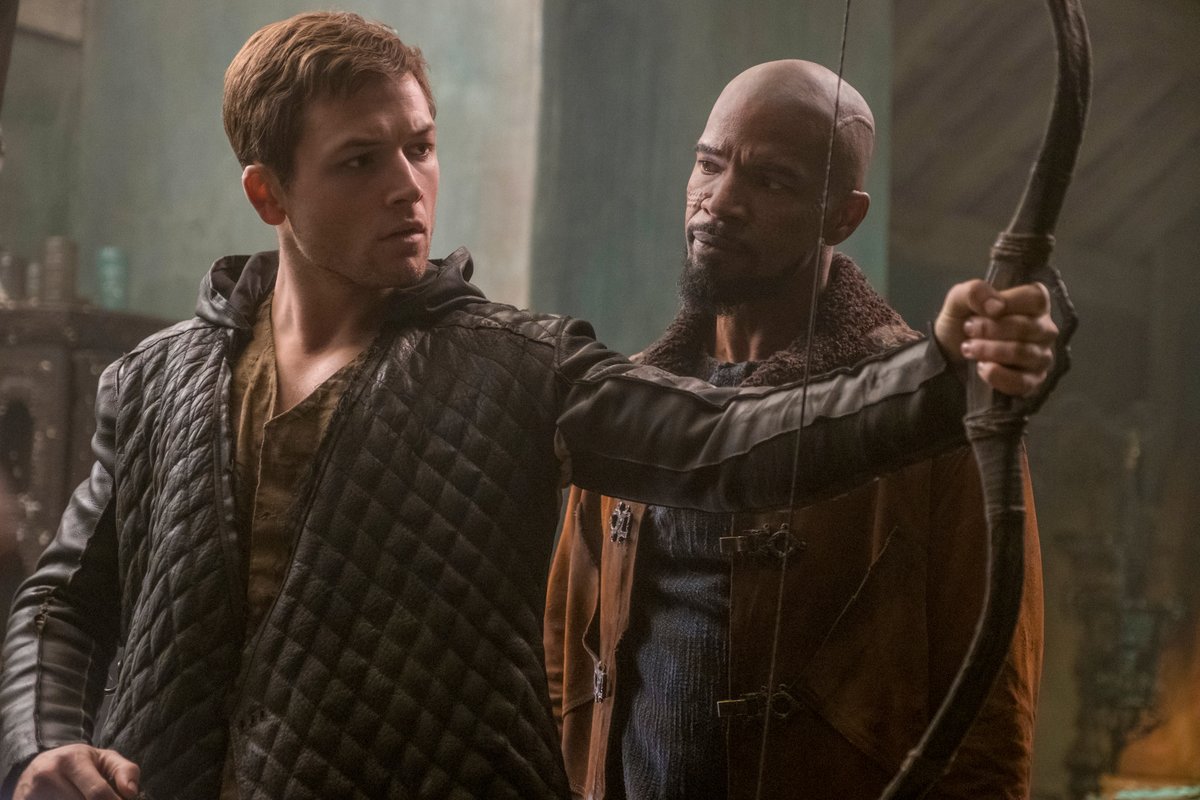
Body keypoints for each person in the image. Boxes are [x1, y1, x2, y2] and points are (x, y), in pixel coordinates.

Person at [0, 15, 1054, 800]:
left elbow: (727, 443)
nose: (408, 184)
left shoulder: (518, 364)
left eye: (420, 146)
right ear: (269, 193)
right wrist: (42, 740)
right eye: (361, 161)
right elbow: (61, 603)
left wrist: (941, 372)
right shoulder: (156, 380)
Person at [544, 60, 1049, 800]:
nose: (720, 202)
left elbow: (990, 713)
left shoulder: (927, 417)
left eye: (771, 181)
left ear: (843, 216)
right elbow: (566, 654)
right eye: (709, 164)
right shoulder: (634, 399)